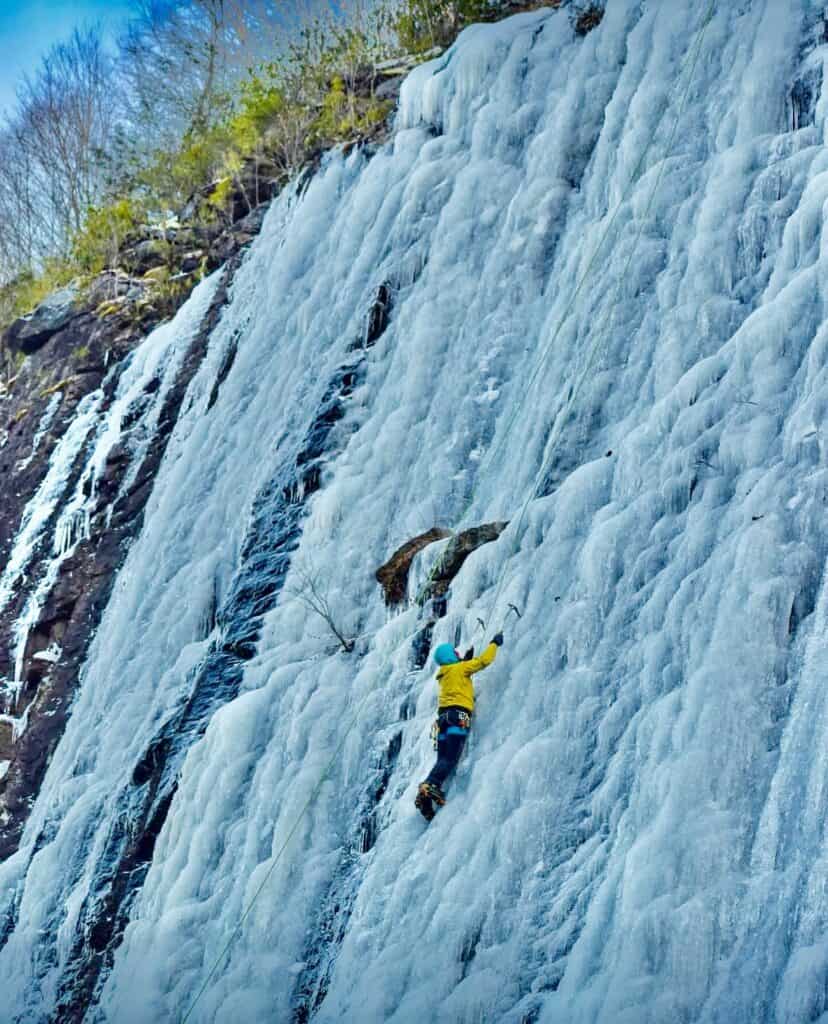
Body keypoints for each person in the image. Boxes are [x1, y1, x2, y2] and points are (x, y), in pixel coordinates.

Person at [415, 632, 504, 821]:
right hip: (459, 716)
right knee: (450, 758)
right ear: (451, 656)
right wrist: (494, 643)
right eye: (455, 653)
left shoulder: (445, 674)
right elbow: (483, 661)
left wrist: (464, 661)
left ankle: (428, 789)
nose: (458, 654)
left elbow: (460, 675)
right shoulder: (461, 668)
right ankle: (430, 785)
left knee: (442, 759)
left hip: (443, 720)